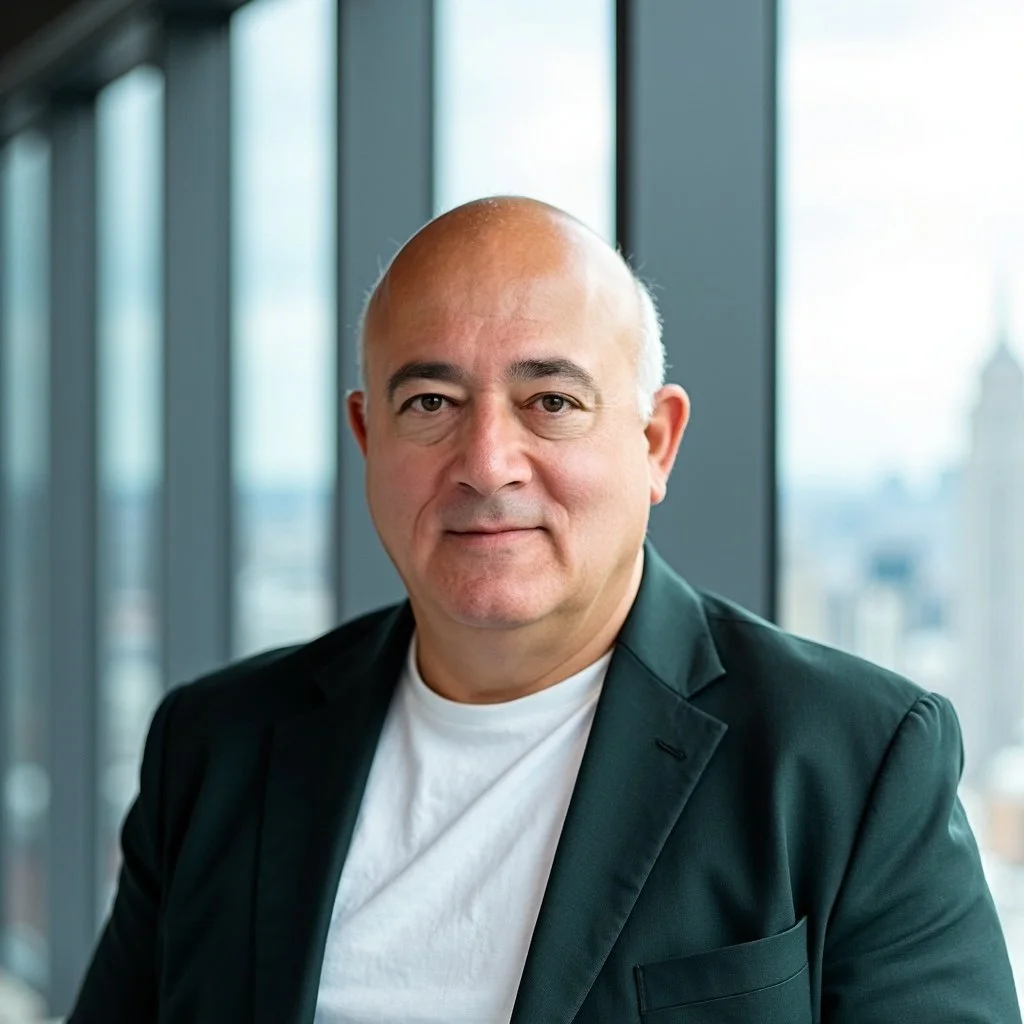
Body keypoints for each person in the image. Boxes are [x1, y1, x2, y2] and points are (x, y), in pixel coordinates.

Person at [69, 196, 1019, 1024]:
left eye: (552, 401)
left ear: (655, 442)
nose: (486, 462)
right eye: (432, 402)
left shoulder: (850, 760)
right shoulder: (216, 746)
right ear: (367, 436)